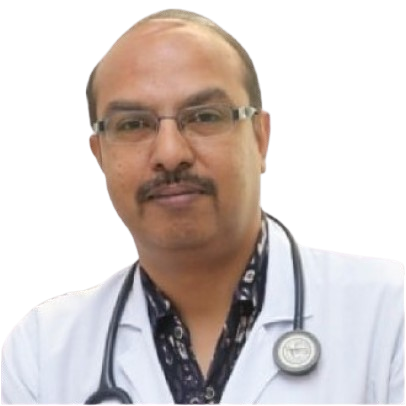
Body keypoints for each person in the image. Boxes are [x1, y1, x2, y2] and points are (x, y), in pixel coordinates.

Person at [1, 8, 404, 405]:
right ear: (100, 155)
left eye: (205, 116)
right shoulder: (42, 352)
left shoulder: (389, 312)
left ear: (260, 139)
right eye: (133, 124)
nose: (170, 153)